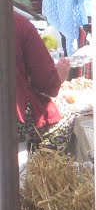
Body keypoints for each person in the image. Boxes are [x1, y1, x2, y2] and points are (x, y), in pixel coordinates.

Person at [14, 12, 72, 150]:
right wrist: (58, 76)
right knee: (65, 115)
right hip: (10, 119)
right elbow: (45, 83)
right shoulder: (18, 24)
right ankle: (40, 168)